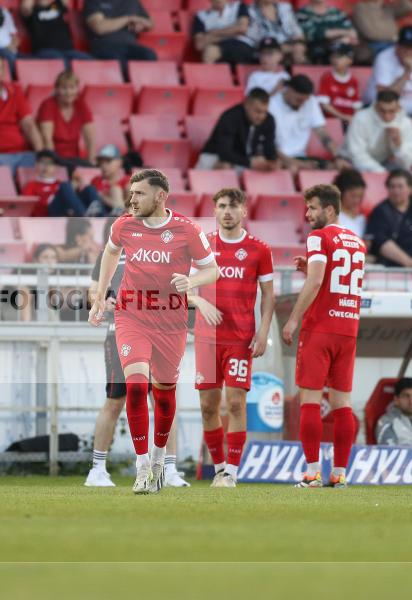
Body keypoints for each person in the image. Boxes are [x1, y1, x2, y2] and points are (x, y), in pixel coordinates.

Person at [89, 169, 218, 494]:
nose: (132, 199)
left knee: (163, 396)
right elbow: (109, 253)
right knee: (134, 388)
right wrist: (103, 296)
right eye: (131, 193)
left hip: (171, 322)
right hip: (132, 316)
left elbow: (212, 270)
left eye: (139, 194)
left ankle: (160, 459)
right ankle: (142, 465)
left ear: (160, 197)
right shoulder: (124, 225)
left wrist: (192, 282)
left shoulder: (187, 230)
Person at [84, 217, 191, 488]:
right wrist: (102, 301)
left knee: (163, 398)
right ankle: (97, 468)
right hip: (120, 331)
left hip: (161, 329)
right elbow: (93, 290)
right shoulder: (109, 254)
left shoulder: (158, 253)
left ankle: (169, 468)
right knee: (116, 399)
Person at [281, 183, 365, 488]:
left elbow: (316, 283)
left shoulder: (318, 237)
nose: (307, 214)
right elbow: (332, 278)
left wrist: (292, 319)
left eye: (313, 208)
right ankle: (340, 474)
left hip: (320, 329)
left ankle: (313, 472)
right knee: (343, 404)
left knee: (310, 401)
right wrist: (311, 271)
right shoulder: (357, 241)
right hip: (348, 329)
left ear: (329, 209)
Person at [190, 188, 275, 488]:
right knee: (208, 406)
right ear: (214, 211)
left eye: (233, 206)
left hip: (240, 339)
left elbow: (268, 296)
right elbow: (185, 287)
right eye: (222, 206)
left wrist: (263, 331)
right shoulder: (201, 247)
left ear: (244, 212)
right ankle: (219, 468)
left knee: (236, 403)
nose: (227, 211)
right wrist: (200, 301)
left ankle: (233, 473)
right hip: (206, 338)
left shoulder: (259, 250)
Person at [268, 75, 340, 171]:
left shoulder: (311, 102)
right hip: (279, 158)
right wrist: (298, 164)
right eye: (299, 100)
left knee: (338, 168)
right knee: (292, 169)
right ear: (289, 90)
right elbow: (269, 146)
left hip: (301, 157)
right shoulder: (271, 106)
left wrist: (337, 157)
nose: (302, 104)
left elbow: (322, 133)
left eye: (305, 101)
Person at [197, 88, 278, 171]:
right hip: (214, 155)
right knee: (225, 166)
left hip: (243, 160)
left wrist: (271, 162)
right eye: (257, 111)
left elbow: (269, 149)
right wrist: (250, 162)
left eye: (264, 112)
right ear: (246, 105)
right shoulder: (230, 117)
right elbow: (224, 152)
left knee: (273, 168)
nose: (261, 116)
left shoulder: (268, 120)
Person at [342, 89, 412, 173]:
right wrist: (381, 173)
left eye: (391, 111)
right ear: (376, 106)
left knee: (404, 176)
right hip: (356, 165)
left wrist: (398, 145)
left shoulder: (406, 123)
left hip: (386, 164)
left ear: (398, 108)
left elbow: (408, 163)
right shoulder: (360, 118)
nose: (386, 116)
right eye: (382, 111)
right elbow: (356, 154)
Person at [36, 70, 95, 167]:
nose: (68, 92)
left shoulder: (81, 104)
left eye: (72, 88)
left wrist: (91, 161)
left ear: (77, 89)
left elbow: (90, 138)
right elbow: (47, 139)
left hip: (74, 158)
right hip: (56, 158)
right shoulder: (48, 105)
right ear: (56, 89)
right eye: (64, 88)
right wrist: (53, 163)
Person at [23, 150, 101, 217]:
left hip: (68, 212)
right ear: (36, 165)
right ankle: (84, 216)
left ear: (55, 167)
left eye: (50, 163)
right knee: (65, 186)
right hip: (48, 213)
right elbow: (27, 208)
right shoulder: (31, 185)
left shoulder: (59, 183)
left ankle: (103, 218)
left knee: (89, 189)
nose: (45, 166)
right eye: (42, 162)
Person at [84, 0, 157, 65]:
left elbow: (150, 23)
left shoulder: (132, 1)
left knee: (149, 55)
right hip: (105, 47)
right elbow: (99, 27)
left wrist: (140, 23)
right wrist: (128, 19)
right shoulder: (93, 1)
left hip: (131, 46)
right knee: (119, 62)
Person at [20, 0, 92, 65]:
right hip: (45, 51)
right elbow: (26, 6)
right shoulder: (32, 12)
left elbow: (64, 2)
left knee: (88, 61)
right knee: (61, 62)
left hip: (67, 50)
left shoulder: (55, 6)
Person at [241, 0, 306, 66]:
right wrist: (282, 48)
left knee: (301, 51)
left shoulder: (284, 8)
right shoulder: (250, 10)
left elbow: (296, 32)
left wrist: (299, 45)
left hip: (289, 48)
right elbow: (256, 39)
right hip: (267, 49)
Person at [191, 0, 253, 65]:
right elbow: (199, 44)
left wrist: (213, 33)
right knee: (209, 52)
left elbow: (242, 28)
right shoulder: (201, 16)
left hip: (241, 45)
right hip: (218, 47)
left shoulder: (238, 6)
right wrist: (232, 32)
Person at [296, 0, 357, 65]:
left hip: (337, 47)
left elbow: (352, 33)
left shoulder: (336, 12)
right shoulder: (303, 13)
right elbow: (313, 34)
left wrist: (342, 39)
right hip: (314, 48)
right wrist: (342, 32)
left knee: (344, 49)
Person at [317, 43, 361, 125]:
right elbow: (324, 104)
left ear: (350, 60)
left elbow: (356, 106)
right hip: (331, 122)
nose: (335, 59)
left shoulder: (353, 80)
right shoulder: (326, 77)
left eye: (339, 57)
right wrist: (342, 117)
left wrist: (355, 119)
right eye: (333, 56)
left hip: (350, 121)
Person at [85, 144, 129, 216]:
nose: (104, 166)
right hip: (101, 215)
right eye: (101, 162)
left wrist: (102, 196)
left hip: (121, 218)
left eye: (108, 161)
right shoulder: (96, 180)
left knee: (115, 190)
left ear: (119, 162)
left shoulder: (126, 181)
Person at [333, 169, 367, 237]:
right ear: (340, 193)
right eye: (353, 196)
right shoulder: (331, 218)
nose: (357, 200)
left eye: (360, 196)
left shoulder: (361, 219)